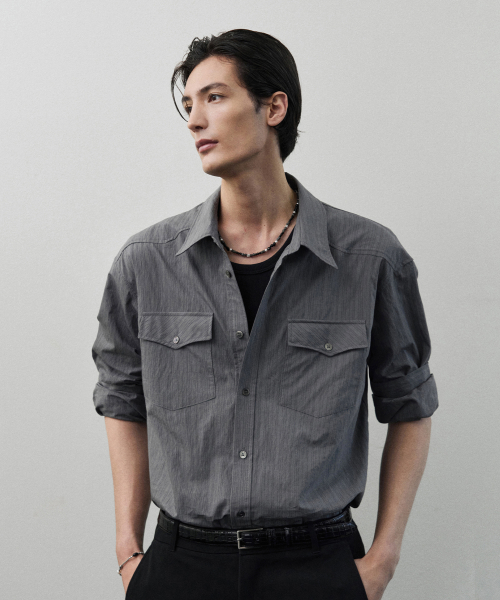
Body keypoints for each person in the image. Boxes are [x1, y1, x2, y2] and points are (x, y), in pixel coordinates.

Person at [91, 28, 439, 600]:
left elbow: (411, 405)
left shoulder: (370, 258)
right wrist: (130, 553)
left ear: (274, 107)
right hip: (180, 567)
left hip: (317, 566)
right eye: (188, 104)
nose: (194, 120)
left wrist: (382, 560)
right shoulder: (145, 262)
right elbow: (121, 400)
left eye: (214, 97)